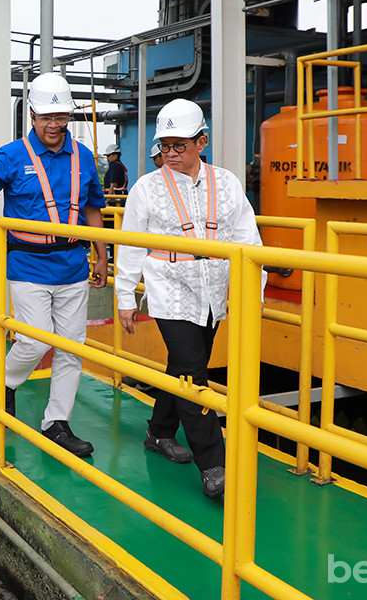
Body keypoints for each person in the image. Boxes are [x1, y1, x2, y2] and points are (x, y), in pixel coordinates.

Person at [114, 98, 264, 499]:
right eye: (164, 146)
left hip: (214, 293)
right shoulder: (147, 188)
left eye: (179, 146)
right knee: (194, 377)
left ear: (202, 142)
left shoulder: (228, 182)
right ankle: (215, 464)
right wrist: (125, 296)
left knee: (180, 366)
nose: (170, 154)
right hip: (171, 292)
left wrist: (254, 293)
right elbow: (129, 246)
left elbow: (249, 239)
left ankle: (159, 432)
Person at [0, 73, 107, 458]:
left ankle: (57, 422)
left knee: (72, 348)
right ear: (32, 115)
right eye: (46, 117)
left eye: (61, 116)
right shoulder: (12, 155)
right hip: (28, 265)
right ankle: (5, 384)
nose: (53, 125)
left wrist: (103, 254)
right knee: (35, 339)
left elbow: (92, 208)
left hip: (73, 264)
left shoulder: (84, 156)